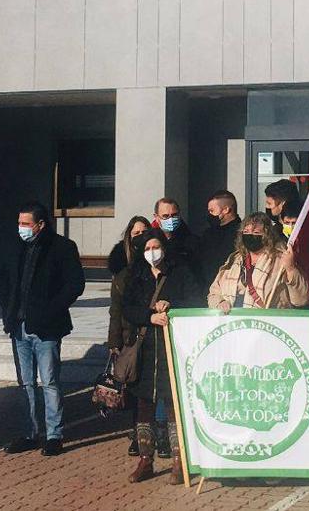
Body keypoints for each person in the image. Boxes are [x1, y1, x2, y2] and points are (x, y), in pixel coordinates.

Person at [0, 201, 86, 457]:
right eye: (19, 223)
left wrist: (51, 311)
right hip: (19, 326)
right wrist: (8, 313)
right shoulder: (15, 248)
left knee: (49, 381)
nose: (21, 228)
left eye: (26, 224)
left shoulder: (61, 248)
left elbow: (75, 284)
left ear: (40, 225)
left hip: (47, 327)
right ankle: (29, 432)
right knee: (25, 383)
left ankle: (54, 435)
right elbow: (5, 282)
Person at [123, 230, 202, 484]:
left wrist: (172, 304)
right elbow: (127, 308)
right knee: (144, 404)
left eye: (156, 246)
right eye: (147, 248)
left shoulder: (179, 272)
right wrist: (149, 315)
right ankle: (146, 459)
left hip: (172, 345)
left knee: (172, 403)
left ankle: (180, 459)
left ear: (164, 248)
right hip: (145, 348)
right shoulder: (137, 275)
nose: (152, 252)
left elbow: (195, 298)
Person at [209, 212, 309, 311]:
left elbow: (301, 300)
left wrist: (291, 269)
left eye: (256, 232)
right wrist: (220, 302)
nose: (250, 235)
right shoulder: (234, 260)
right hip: (235, 326)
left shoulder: (280, 260)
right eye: (246, 232)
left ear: (267, 235)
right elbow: (214, 293)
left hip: (268, 326)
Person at [107, 215, 150, 456]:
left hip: (149, 334)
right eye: (135, 234)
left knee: (148, 389)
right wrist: (113, 341)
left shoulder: (155, 267)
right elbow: (115, 309)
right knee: (132, 388)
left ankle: (154, 434)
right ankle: (136, 434)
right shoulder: (121, 272)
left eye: (144, 233)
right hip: (128, 336)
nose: (140, 238)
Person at [196, 191, 240, 286]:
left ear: (225, 210)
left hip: (231, 285)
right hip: (207, 286)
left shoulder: (241, 233)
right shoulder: (208, 234)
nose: (210, 214)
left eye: (212, 211)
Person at [153, 197, 199, 274]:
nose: (170, 219)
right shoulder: (150, 242)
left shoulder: (191, 242)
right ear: (156, 217)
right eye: (165, 216)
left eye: (174, 215)